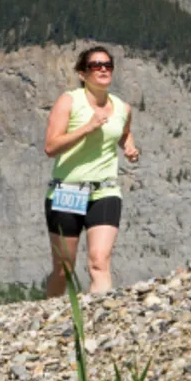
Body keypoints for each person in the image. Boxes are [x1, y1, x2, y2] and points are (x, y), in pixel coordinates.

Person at [42, 46, 139, 297]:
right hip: (67, 191)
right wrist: (86, 128)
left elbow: (123, 132)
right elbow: (51, 146)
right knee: (64, 268)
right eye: (96, 65)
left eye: (108, 64)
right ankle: (47, 319)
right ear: (83, 74)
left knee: (99, 262)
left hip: (105, 191)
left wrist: (129, 147)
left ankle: (100, 320)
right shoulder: (69, 101)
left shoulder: (122, 107)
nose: (103, 69)